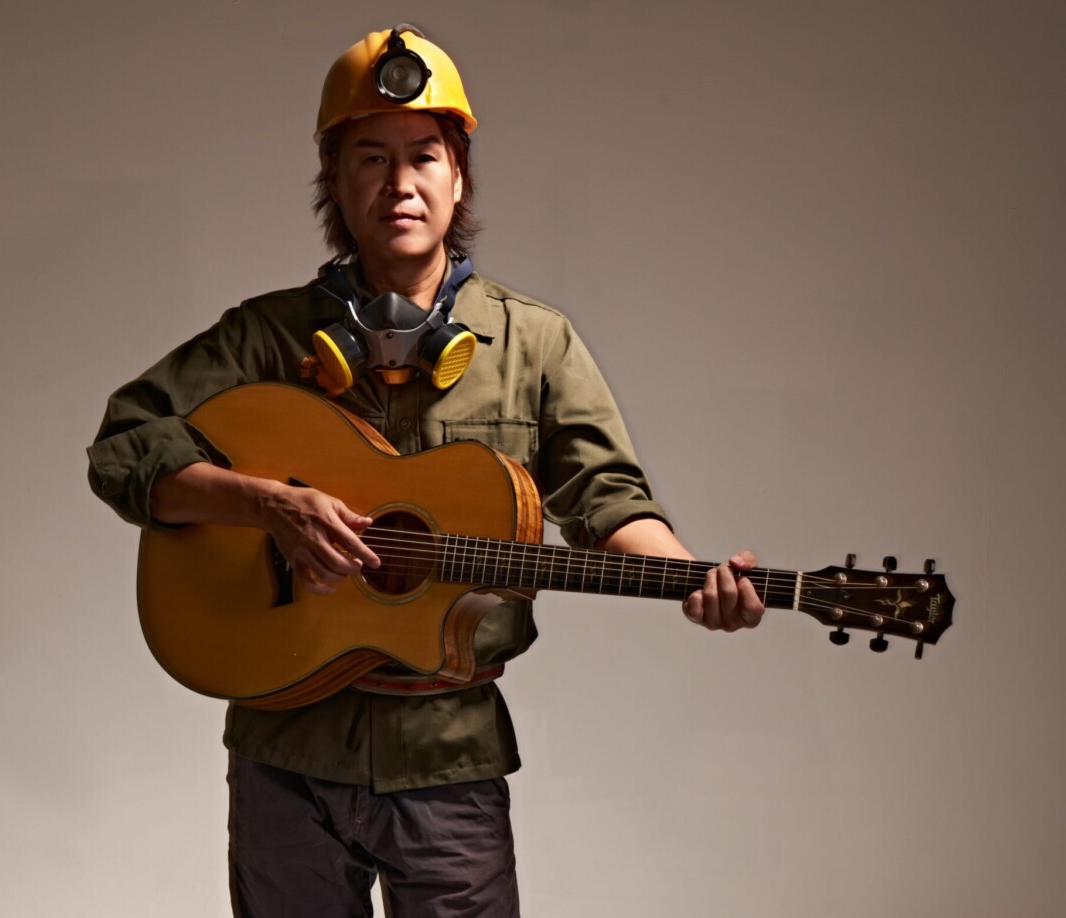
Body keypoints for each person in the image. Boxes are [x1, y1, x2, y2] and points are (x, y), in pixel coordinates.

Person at [87, 24, 764, 918]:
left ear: (459, 177)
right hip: (285, 750)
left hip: (450, 756)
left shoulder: (535, 342)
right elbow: (125, 444)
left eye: (424, 156)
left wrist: (687, 578)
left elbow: (606, 499)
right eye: (371, 157)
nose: (399, 182)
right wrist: (263, 505)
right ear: (335, 179)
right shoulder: (264, 336)